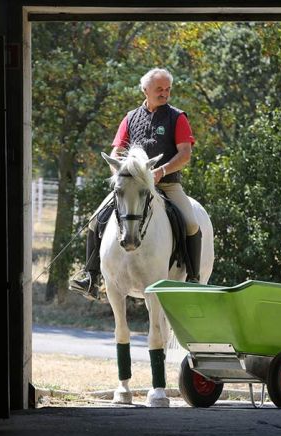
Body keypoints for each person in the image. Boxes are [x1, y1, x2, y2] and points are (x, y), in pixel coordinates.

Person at [70, 67, 202, 300]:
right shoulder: (130, 118)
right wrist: (121, 174)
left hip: (167, 184)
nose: (165, 93)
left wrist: (161, 171)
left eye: (168, 89)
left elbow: (185, 154)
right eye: (159, 89)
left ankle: (193, 278)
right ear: (145, 90)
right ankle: (91, 277)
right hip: (132, 187)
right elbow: (117, 151)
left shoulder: (177, 117)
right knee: (94, 220)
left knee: (191, 224)